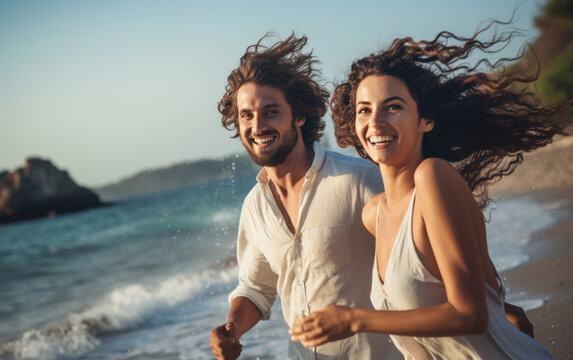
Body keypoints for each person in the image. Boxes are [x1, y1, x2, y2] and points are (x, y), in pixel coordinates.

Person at [209, 33, 535, 360]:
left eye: (270, 112)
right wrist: (233, 327)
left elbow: (439, 255)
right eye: (246, 116)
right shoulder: (259, 206)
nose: (257, 125)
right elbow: (256, 288)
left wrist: (495, 303)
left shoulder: (364, 181)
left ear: (299, 115)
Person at [289, 28, 570, 359]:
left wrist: (354, 319)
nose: (375, 122)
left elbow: (471, 315)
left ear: (426, 120)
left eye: (392, 107)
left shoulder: (433, 177)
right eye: (365, 109)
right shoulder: (373, 214)